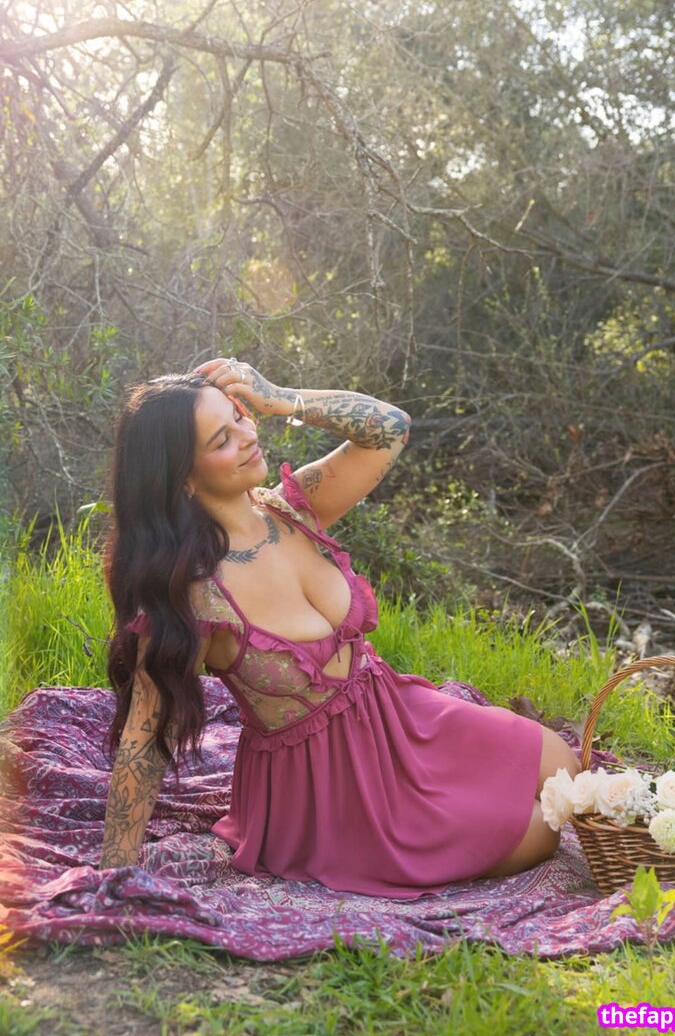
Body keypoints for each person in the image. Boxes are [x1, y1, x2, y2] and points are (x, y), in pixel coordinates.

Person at [99, 357, 582, 898]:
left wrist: (279, 397)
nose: (248, 436)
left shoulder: (292, 510)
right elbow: (146, 737)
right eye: (222, 440)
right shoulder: (194, 594)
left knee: (566, 769)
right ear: (184, 478)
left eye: (239, 417)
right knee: (541, 831)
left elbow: (390, 428)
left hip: (397, 716)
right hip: (332, 787)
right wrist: (115, 868)